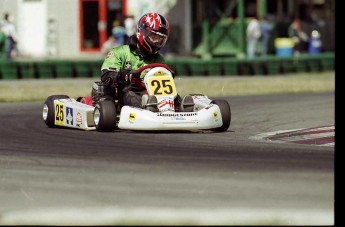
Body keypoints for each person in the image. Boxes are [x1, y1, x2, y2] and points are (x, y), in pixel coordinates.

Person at [91, 12, 194, 112]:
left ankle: (181, 108)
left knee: (174, 97)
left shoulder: (159, 59)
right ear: (142, 33)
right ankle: (146, 111)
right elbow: (106, 76)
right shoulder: (120, 52)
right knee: (131, 96)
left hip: (151, 93)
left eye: (160, 38)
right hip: (126, 92)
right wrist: (125, 76)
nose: (157, 41)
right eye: (154, 37)